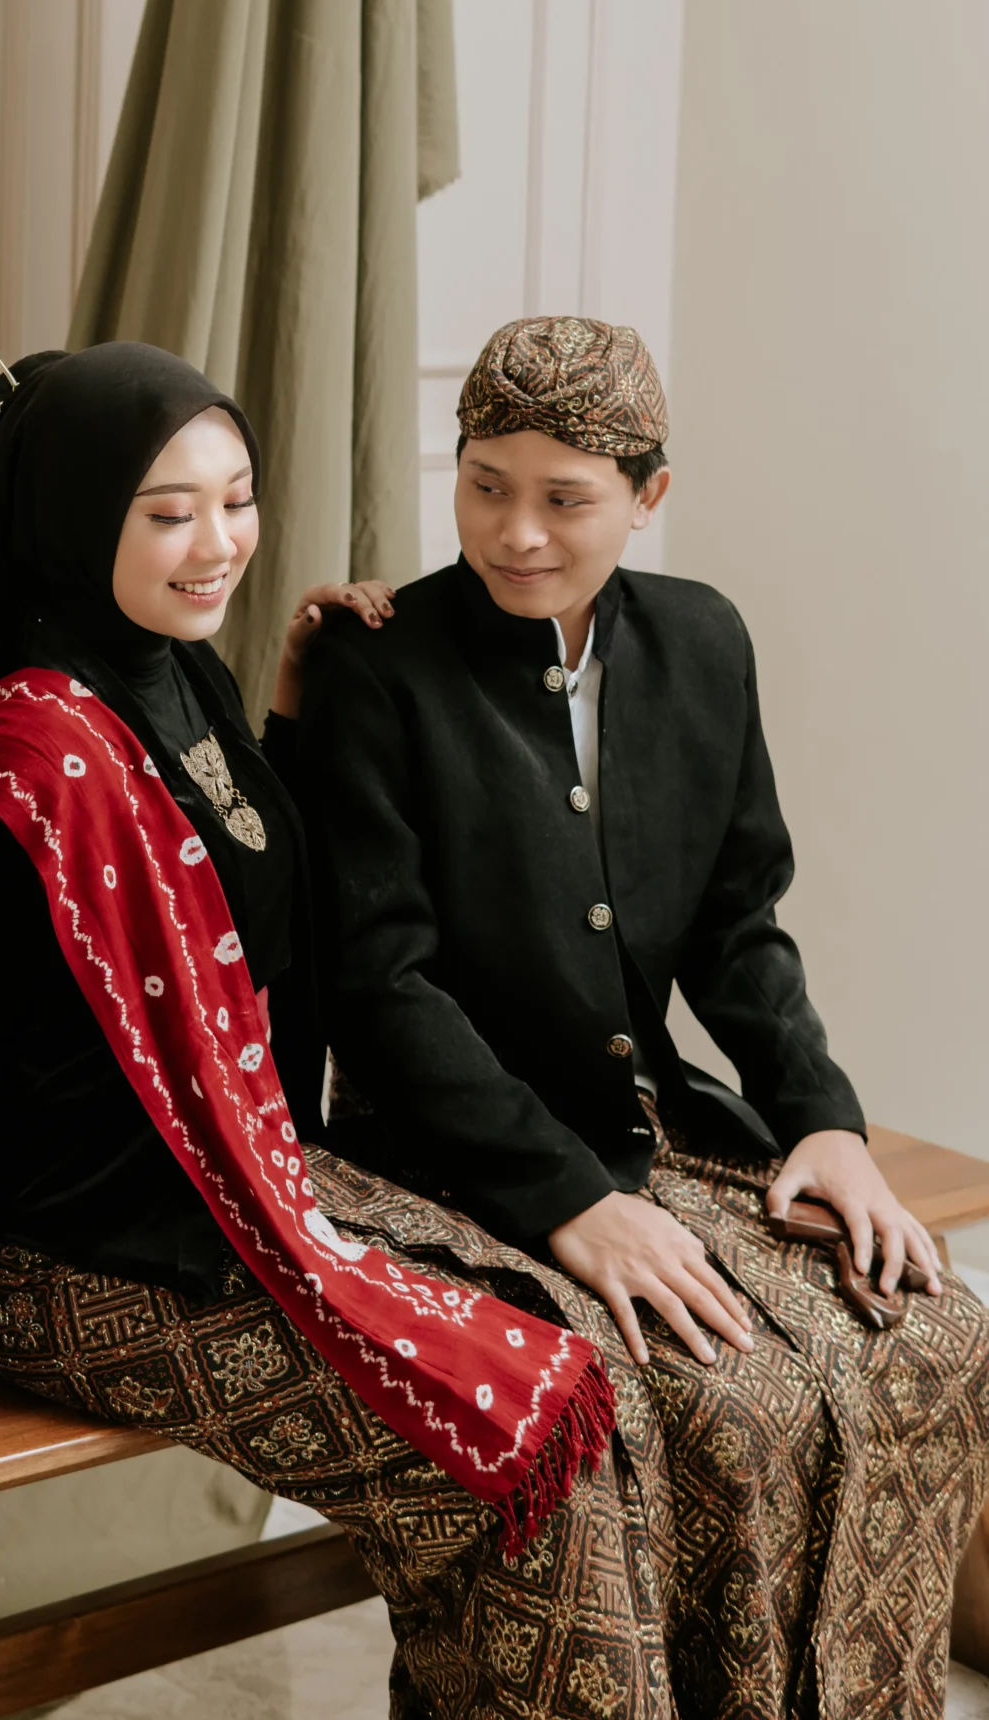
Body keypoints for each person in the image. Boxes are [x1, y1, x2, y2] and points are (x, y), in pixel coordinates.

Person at [0, 341, 694, 1719]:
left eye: (237, 500)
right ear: (75, 519)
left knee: (582, 1388)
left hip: (228, 1187)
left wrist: (290, 701)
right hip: (67, 1260)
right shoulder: (23, 759)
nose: (219, 545)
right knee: (507, 1440)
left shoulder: (174, 667)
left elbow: (242, 884)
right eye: (168, 513)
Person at [298, 313, 989, 1715]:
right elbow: (380, 987)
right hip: (443, 1153)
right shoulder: (378, 662)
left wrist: (825, 1122)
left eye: (565, 498)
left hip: (650, 1121)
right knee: (722, 1403)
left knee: (936, 1337)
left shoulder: (701, 640)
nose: (516, 532)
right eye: (484, 484)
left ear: (648, 494)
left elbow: (738, 925)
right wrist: (567, 1201)